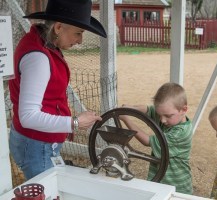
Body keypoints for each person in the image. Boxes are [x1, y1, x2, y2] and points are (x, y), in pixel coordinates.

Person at [8, 0, 106, 180]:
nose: (80, 40)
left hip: (38, 143)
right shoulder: (38, 58)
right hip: (37, 145)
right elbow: (28, 116)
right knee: (45, 191)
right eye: (78, 33)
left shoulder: (41, 43)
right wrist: (74, 122)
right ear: (59, 27)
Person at [120, 82, 193, 194]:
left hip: (177, 186)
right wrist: (131, 108)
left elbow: (147, 141)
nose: (162, 120)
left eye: (168, 116)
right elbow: (149, 109)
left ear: (184, 109)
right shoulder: (169, 118)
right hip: (161, 180)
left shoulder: (180, 133)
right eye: (160, 115)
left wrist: (127, 120)